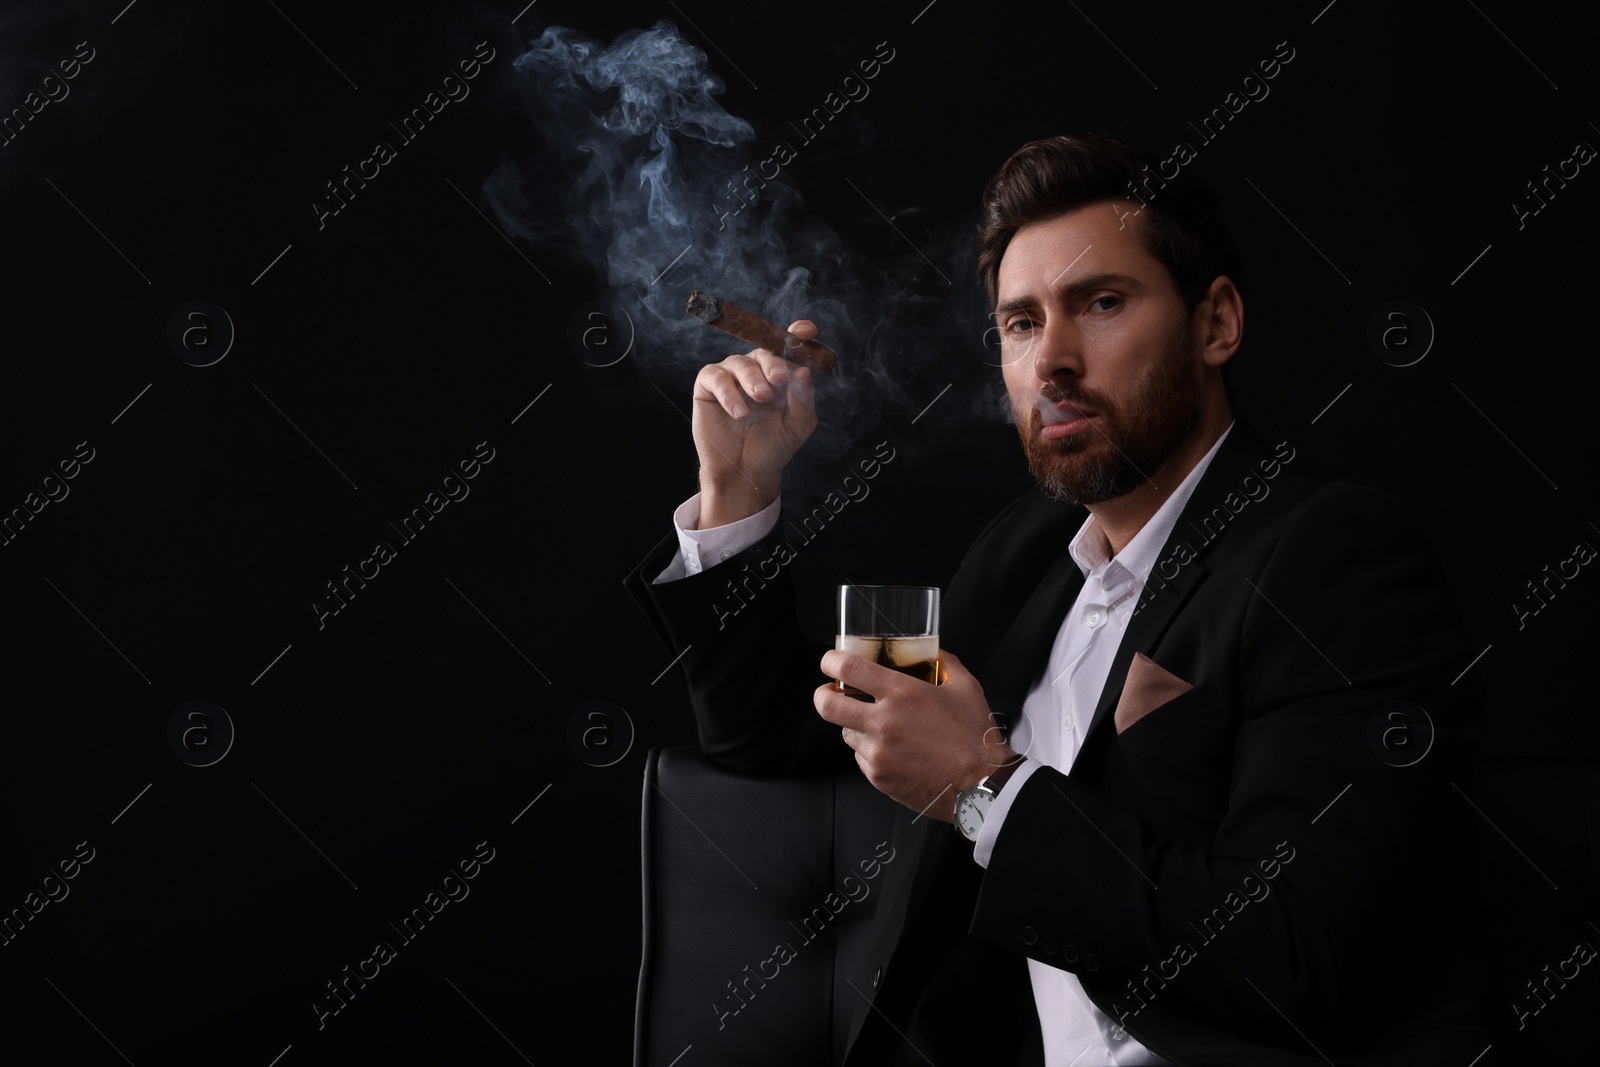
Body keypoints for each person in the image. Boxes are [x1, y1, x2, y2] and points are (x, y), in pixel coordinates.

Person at [625, 134, 1503, 1066]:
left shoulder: (1334, 555)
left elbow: (1294, 956)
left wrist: (980, 786)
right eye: (1021, 324)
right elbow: (778, 743)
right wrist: (739, 495)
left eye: (1103, 303)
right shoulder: (1026, 553)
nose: (1054, 360)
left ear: (1217, 325)